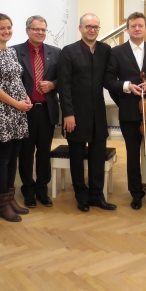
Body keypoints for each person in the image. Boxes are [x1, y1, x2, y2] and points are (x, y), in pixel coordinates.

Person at [104, 12, 146, 214]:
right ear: (127, 29)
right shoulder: (117, 52)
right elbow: (108, 81)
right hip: (130, 113)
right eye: (133, 26)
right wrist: (126, 86)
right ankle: (136, 194)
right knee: (132, 155)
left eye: (141, 25)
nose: (137, 29)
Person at [59, 13, 116, 212]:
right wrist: (68, 113)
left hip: (98, 113)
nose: (92, 30)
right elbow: (64, 85)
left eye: (96, 27)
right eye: (88, 26)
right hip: (75, 113)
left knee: (98, 155)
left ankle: (96, 196)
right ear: (80, 28)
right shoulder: (68, 51)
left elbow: (110, 78)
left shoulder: (105, 50)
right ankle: (81, 196)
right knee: (76, 157)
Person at [0, 13, 31, 223]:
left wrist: (25, 98)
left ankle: (10, 199)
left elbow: (16, 80)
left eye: (9, 27)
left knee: (13, 157)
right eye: (2, 27)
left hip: (18, 112)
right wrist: (16, 103)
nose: (6, 31)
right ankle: (2, 205)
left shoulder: (11, 52)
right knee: (3, 159)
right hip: (2, 112)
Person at [14, 15, 60, 208]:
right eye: (36, 29)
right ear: (27, 30)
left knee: (44, 152)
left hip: (47, 110)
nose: (40, 32)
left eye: (43, 29)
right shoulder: (15, 52)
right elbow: (10, 82)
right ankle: (28, 189)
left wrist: (53, 84)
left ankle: (42, 189)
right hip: (25, 111)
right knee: (26, 153)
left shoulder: (55, 53)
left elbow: (65, 79)